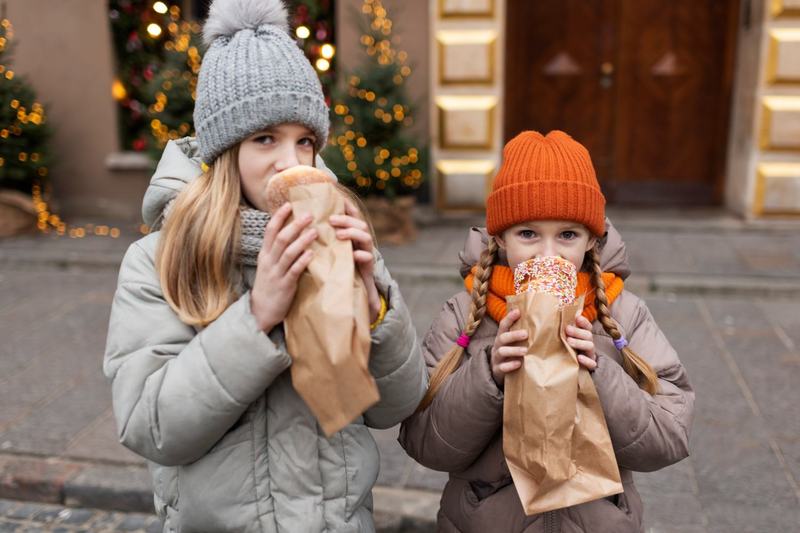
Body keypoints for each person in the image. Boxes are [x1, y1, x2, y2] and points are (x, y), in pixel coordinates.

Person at [103, 0, 426, 531]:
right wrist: (256, 316)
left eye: (305, 141)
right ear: (226, 150)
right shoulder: (159, 259)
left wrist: (375, 310)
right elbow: (150, 426)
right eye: (265, 139)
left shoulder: (337, 236)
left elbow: (396, 407)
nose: (290, 162)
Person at [399, 130, 694, 532]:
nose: (548, 255)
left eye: (568, 235)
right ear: (500, 237)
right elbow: (425, 443)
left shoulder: (624, 314)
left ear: (591, 240)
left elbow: (670, 436)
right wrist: (488, 374)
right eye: (528, 234)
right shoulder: (463, 315)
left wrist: (601, 374)